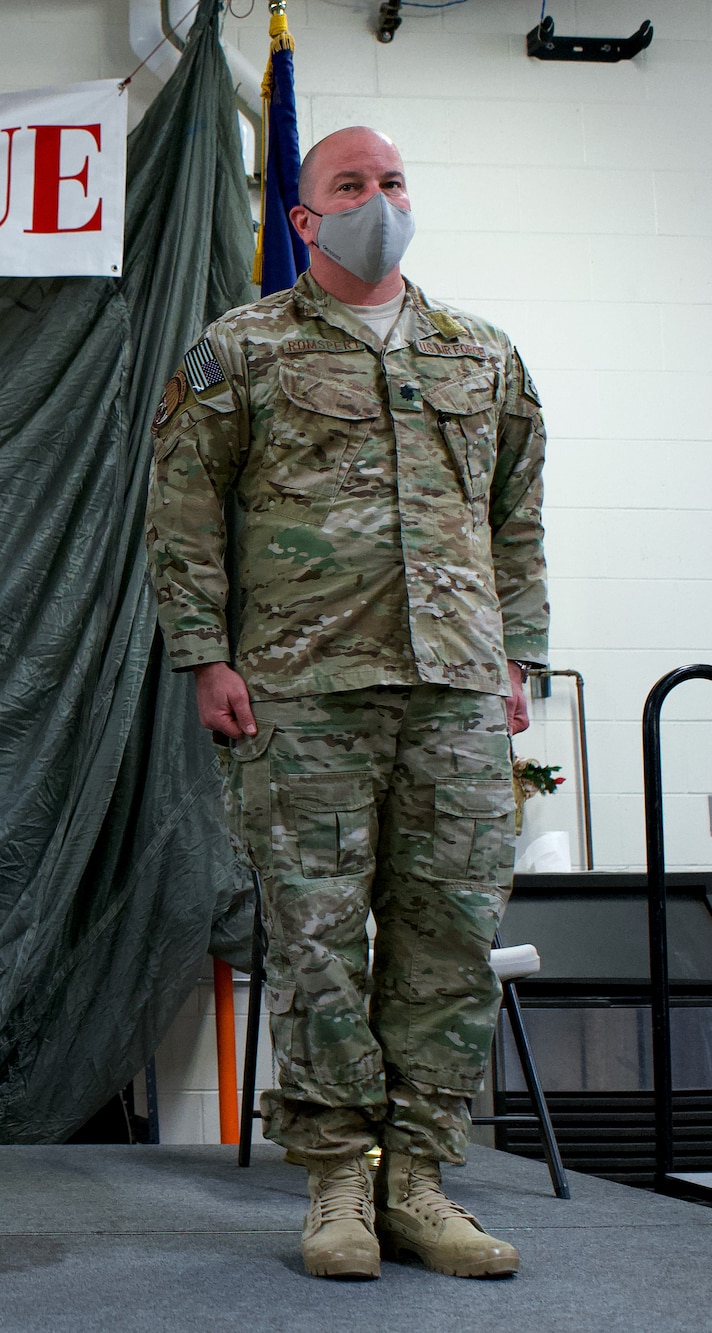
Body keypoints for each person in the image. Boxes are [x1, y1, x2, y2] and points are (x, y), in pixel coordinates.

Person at [144, 126, 546, 1282]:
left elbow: (515, 513)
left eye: (392, 182)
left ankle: (417, 1179)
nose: (378, 200)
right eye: (349, 187)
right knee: (318, 946)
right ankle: (334, 1186)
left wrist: (517, 653)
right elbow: (180, 513)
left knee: (445, 943)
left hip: (457, 692)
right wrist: (203, 656)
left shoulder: (482, 355)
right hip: (301, 691)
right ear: (303, 218)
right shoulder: (240, 350)